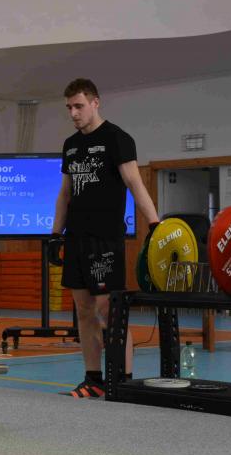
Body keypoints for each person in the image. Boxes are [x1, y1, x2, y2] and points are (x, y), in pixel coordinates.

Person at [50, 78, 159, 398]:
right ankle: (93, 379)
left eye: (79, 106)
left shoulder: (117, 138)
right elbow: (65, 193)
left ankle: (122, 381)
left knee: (109, 311)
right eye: (69, 107)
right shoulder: (70, 145)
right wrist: (55, 234)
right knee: (83, 311)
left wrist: (155, 224)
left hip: (105, 240)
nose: (73, 113)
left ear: (95, 103)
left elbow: (135, 184)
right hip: (76, 239)